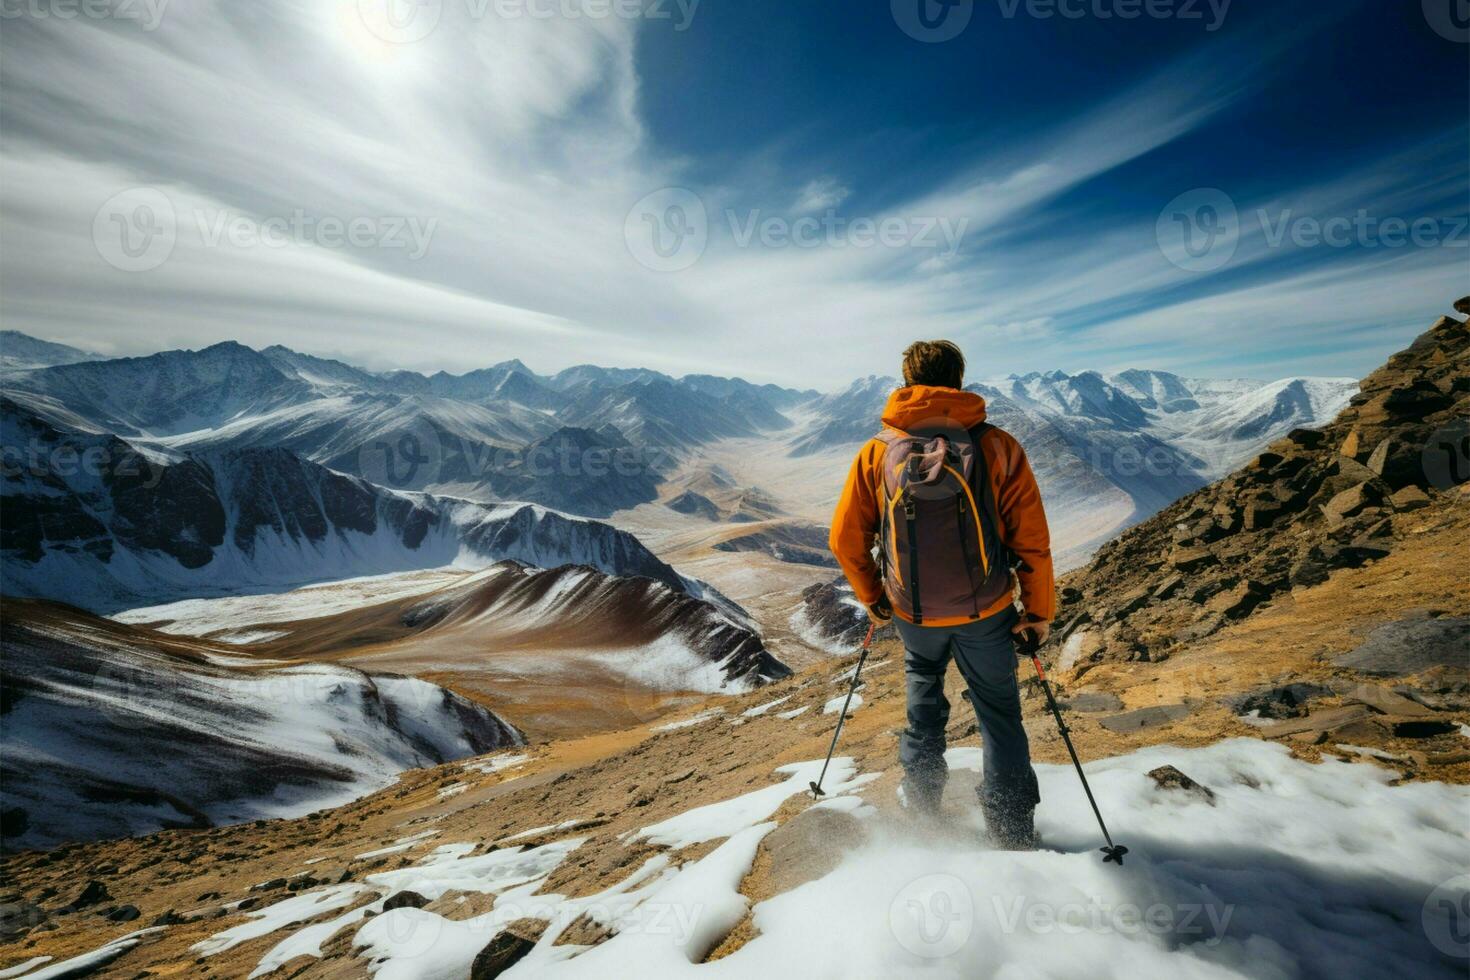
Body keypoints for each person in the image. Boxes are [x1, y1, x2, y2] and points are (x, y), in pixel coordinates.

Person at [828, 340, 1055, 848]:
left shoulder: (877, 452)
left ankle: (925, 813)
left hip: (914, 614)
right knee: (998, 714)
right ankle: (1012, 829)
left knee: (923, 701)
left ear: (906, 381)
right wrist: (1038, 611)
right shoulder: (998, 446)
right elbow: (1031, 540)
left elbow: (845, 539)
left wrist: (875, 598)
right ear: (960, 379)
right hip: (989, 611)